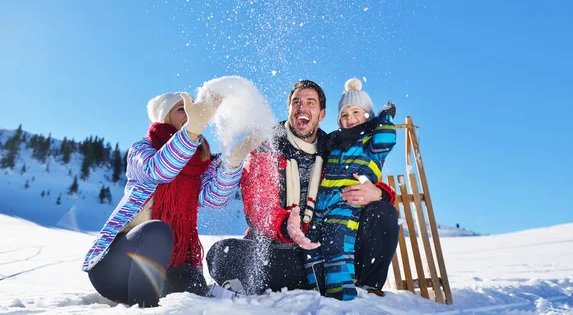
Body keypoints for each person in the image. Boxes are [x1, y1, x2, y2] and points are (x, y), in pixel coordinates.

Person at [206, 80, 400, 296]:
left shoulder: (334, 148)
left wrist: (380, 193)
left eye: (310, 102)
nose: (302, 108)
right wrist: (285, 226)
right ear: (289, 109)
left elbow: (357, 172)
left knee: (384, 212)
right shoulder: (268, 146)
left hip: (329, 247)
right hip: (280, 251)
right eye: (296, 102)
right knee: (221, 254)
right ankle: (296, 283)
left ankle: (366, 289)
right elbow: (258, 206)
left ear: (322, 114)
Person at [82, 89, 260, 307]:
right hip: (116, 269)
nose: (190, 113)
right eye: (181, 109)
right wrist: (192, 131)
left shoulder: (200, 164)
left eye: (194, 110)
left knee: (197, 292)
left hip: (167, 267)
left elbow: (214, 198)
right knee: (156, 231)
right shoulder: (142, 150)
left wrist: (233, 162)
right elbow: (160, 170)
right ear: (165, 116)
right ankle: (145, 311)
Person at [305, 78, 397, 300]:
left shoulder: (371, 144)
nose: (350, 119)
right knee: (312, 244)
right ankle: (316, 290)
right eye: (344, 115)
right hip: (323, 206)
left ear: (368, 115)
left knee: (338, 242)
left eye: (357, 112)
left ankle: (342, 293)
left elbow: (386, 140)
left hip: (348, 205)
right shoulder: (334, 145)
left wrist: (384, 118)